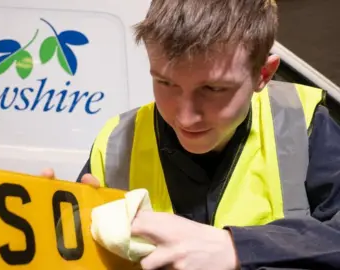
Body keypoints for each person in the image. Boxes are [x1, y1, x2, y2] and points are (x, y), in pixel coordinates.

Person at [42, 0, 340, 269]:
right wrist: (53, 231)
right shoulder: (117, 141)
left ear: (262, 74)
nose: (185, 117)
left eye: (213, 89)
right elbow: (75, 249)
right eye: (165, 83)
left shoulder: (303, 123)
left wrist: (238, 248)